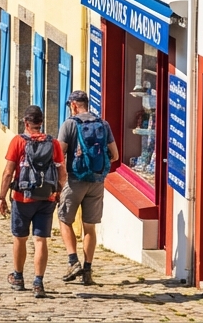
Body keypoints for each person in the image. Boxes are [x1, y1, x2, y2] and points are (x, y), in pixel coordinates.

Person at [0, 105, 66, 298]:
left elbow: (8, 173)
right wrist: (58, 191)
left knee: (20, 238)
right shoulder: (53, 143)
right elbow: (62, 173)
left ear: (25, 123)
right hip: (46, 198)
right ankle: (38, 282)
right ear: (41, 122)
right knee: (40, 239)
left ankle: (18, 277)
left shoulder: (18, 141)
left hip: (22, 198)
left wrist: (1, 197)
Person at [56, 90, 118, 285]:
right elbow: (115, 155)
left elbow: (59, 154)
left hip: (75, 180)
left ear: (74, 105)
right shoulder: (103, 124)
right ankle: (88, 271)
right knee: (89, 227)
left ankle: (73, 261)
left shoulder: (69, 124)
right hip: (97, 182)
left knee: (64, 219)